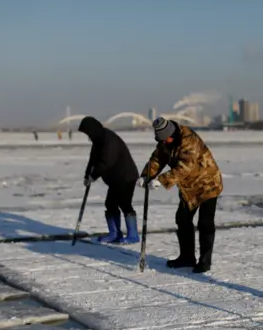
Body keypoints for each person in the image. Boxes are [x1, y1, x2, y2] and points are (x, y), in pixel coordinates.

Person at [137, 117, 223, 273]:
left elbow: (185, 167)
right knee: (182, 219)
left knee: (205, 223)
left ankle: (205, 261)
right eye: (163, 140)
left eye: (168, 139)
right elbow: (157, 159)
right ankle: (187, 257)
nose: (166, 142)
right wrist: (146, 175)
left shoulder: (189, 140)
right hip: (188, 187)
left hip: (207, 184)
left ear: (173, 134)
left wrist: (162, 180)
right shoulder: (166, 142)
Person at [78, 116, 140, 244]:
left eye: (88, 133)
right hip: (115, 179)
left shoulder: (109, 140)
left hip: (125, 176)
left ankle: (133, 236)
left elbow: (106, 162)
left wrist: (93, 176)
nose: (88, 136)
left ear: (93, 130)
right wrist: (87, 175)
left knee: (124, 204)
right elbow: (93, 160)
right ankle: (114, 234)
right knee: (110, 204)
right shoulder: (98, 140)